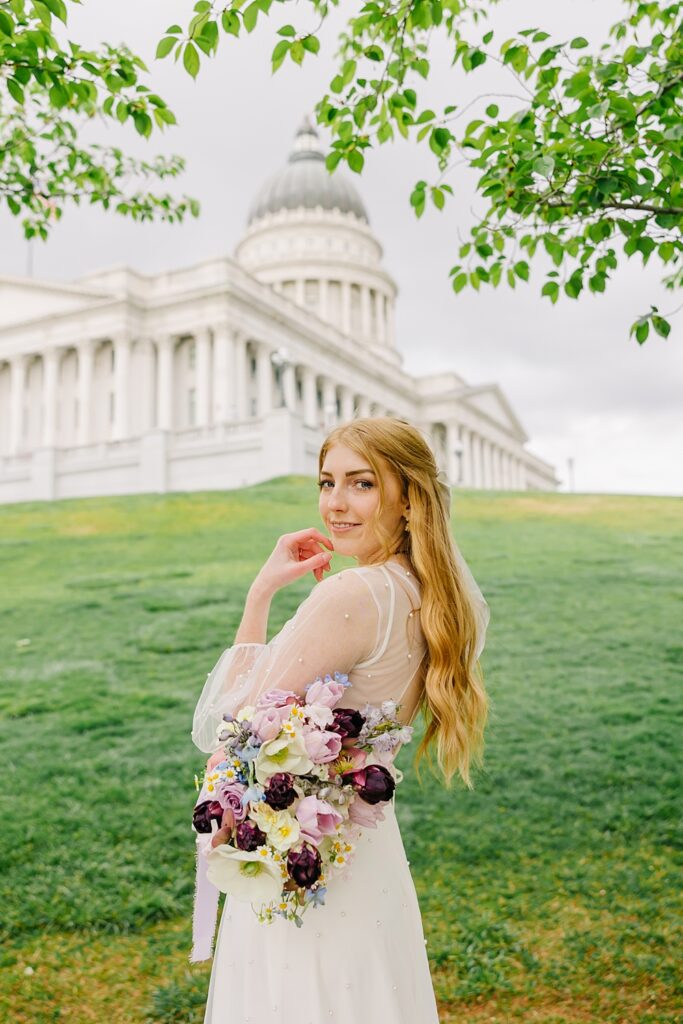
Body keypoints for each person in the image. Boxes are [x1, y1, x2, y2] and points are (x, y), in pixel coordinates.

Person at [190, 416, 490, 1023]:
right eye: (327, 483)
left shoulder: (353, 596)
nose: (336, 504)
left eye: (361, 484)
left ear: (408, 497)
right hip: (366, 853)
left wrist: (258, 596)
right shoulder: (437, 594)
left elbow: (236, 730)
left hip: (300, 856)